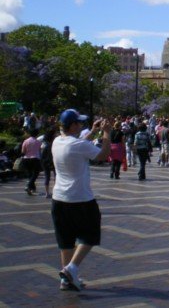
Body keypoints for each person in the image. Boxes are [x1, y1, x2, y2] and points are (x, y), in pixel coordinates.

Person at [51, 109, 111, 291]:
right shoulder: (77, 145)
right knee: (90, 235)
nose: (82, 125)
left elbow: (77, 146)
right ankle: (71, 268)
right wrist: (107, 133)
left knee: (66, 240)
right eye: (79, 123)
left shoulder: (57, 142)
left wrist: (92, 132)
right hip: (81, 199)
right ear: (73, 125)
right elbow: (102, 155)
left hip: (59, 199)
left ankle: (66, 279)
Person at [21, 128, 42, 195]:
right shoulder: (38, 142)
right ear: (37, 134)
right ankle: (28, 186)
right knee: (35, 174)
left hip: (26, 159)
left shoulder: (26, 141)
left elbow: (23, 151)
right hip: (35, 159)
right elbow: (39, 150)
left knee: (30, 174)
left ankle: (32, 188)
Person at [40, 129, 57, 198]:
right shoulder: (54, 145)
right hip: (53, 162)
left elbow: (42, 155)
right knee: (56, 177)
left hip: (45, 162)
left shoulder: (44, 145)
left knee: (47, 177)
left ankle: (47, 193)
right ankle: (54, 192)